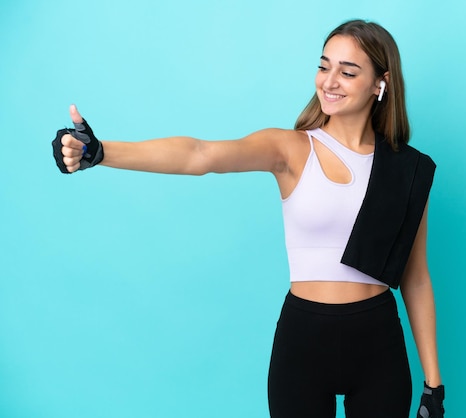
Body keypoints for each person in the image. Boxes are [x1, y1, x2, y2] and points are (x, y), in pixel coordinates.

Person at [52, 19, 445, 418]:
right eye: (324, 66)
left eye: (348, 72)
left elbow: (415, 277)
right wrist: (102, 153)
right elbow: (200, 155)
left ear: (381, 82)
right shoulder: (290, 148)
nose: (329, 81)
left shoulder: (406, 170)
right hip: (303, 341)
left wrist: (434, 384)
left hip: (378, 344)